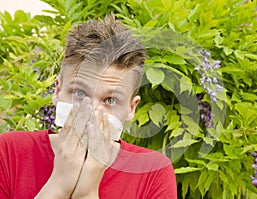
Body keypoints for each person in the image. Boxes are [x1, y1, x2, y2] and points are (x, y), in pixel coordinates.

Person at [0, 14, 177, 199]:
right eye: (79, 93)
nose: (91, 111)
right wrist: (59, 184)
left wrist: (86, 193)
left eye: (110, 100)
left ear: (131, 108)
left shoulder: (152, 172)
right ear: (57, 91)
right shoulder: (9, 153)